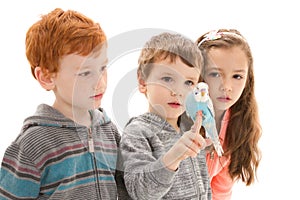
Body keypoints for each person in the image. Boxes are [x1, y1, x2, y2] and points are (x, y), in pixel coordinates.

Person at [0, 8, 121, 199]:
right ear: (47, 77)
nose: (101, 82)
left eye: (103, 68)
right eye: (85, 73)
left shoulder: (108, 130)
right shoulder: (31, 144)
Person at [118, 32, 211, 200]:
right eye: (167, 79)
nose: (178, 92)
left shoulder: (189, 129)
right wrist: (173, 157)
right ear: (142, 82)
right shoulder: (137, 132)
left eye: (189, 82)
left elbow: (204, 187)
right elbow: (140, 191)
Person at [194, 29, 262, 199]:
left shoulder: (237, 123)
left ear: (248, 80)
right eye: (215, 74)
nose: (226, 86)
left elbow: (220, 191)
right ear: (198, 75)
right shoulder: (182, 119)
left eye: (237, 76)